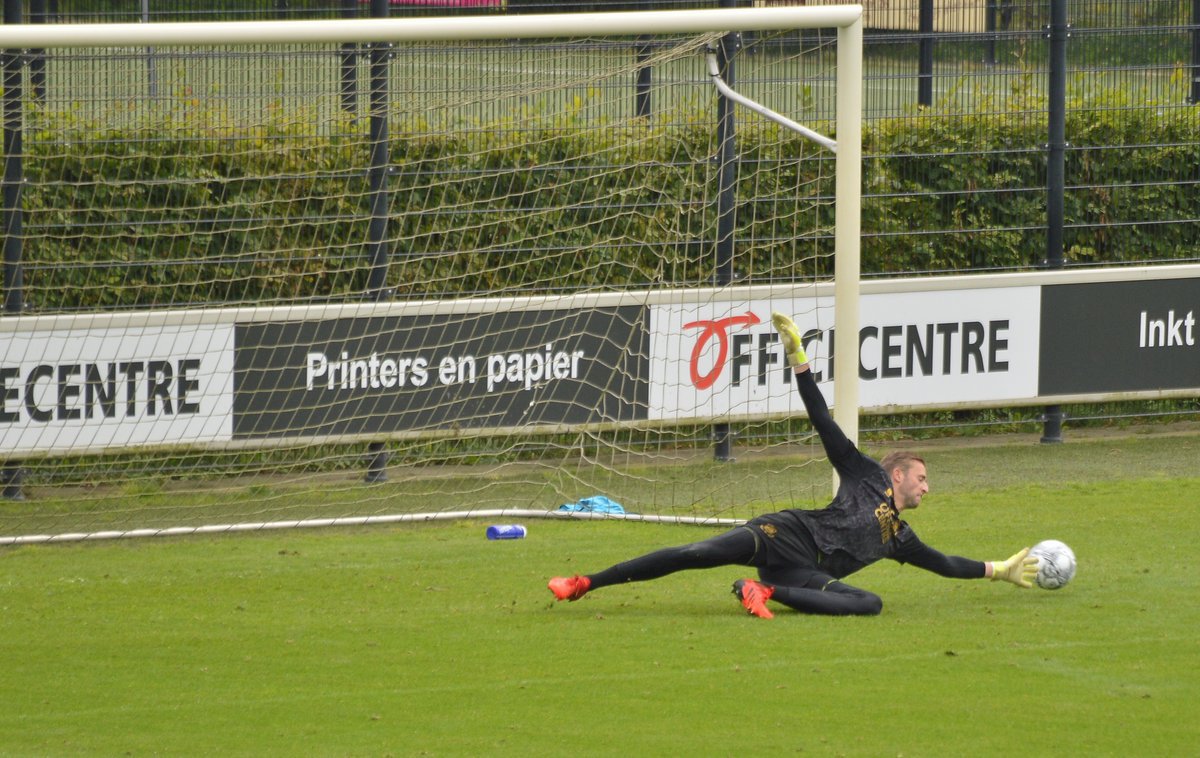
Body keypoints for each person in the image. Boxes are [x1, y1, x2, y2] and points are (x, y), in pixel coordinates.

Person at [547, 311, 1038, 619]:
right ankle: (584, 583)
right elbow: (822, 419)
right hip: (786, 534)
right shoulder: (866, 474)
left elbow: (945, 564)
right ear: (898, 473)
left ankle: (761, 589)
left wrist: (1001, 570)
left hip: (803, 573)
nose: (927, 488)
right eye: (922, 478)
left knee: (869, 603)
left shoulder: (899, 537)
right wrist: (799, 358)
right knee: (695, 552)